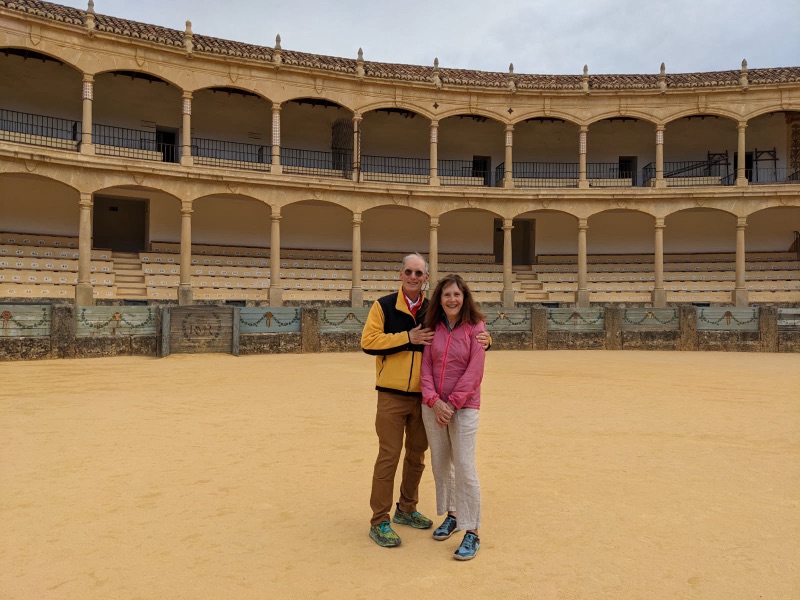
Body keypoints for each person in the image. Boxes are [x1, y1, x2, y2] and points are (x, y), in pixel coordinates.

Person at [361, 254, 490, 548]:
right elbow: (368, 342)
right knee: (389, 456)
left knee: (417, 455)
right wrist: (407, 337)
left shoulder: (433, 309)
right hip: (393, 394)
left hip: (424, 398)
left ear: (426, 278)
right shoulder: (383, 305)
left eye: (418, 273)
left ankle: (407, 508)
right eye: (408, 271)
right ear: (400, 274)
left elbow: (466, 333)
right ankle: (379, 520)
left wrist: (487, 339)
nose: (413, 277)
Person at [419, 273, 487, 561]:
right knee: (440, 463)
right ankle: (453, 515)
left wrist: (452, 404)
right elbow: (425, 368)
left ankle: (472, 530)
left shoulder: (476, 327)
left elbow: (475, 371)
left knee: (465, 466)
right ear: (440, 299)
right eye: (447, 294)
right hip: (433, 407)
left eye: (457, 294)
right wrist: (434, 401)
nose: (452, 299)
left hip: (464, 407)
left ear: (464, 297)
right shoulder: (432, 327)